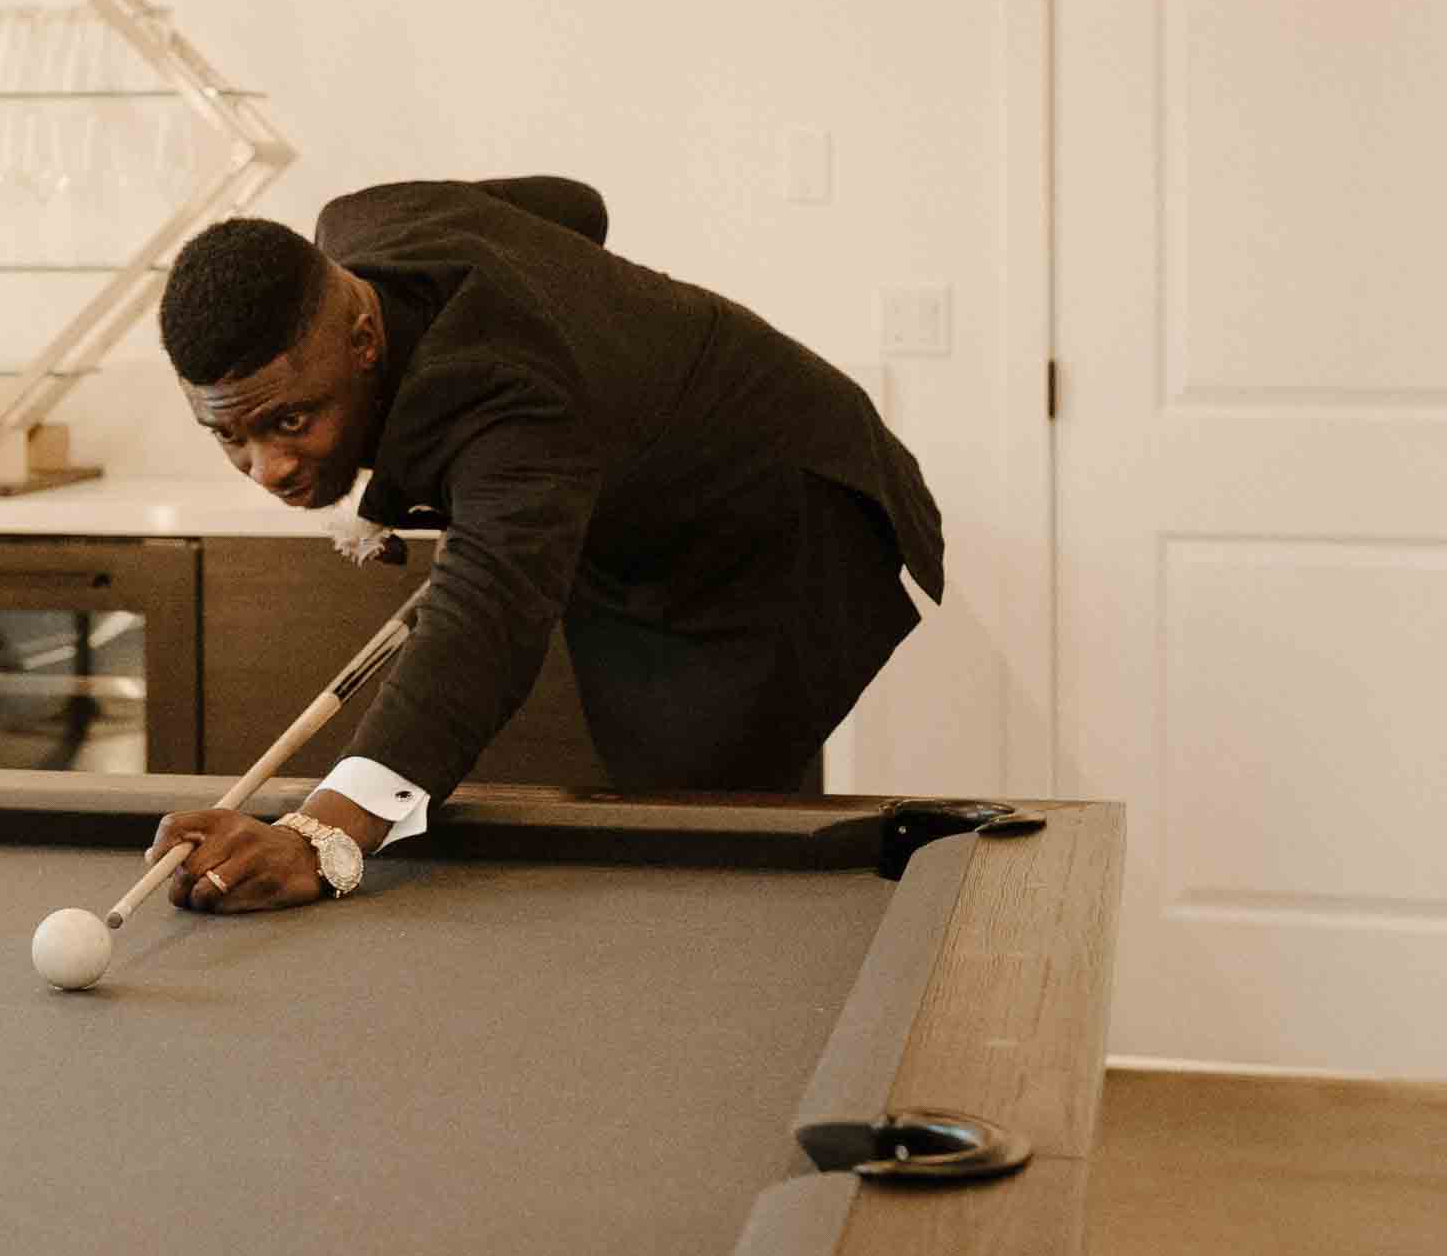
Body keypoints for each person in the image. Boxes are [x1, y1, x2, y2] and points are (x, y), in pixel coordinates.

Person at [149, 176, 942, 913]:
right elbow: (574, 206)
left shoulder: (513, 395)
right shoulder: (365, 223)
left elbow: (485, 617)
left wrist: (317, 837)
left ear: (363, 340)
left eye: (290, 420)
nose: (268, 468)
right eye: (229, 434)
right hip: (627, 517)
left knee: (704, 822)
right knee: (651, 783)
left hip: (769, 520)